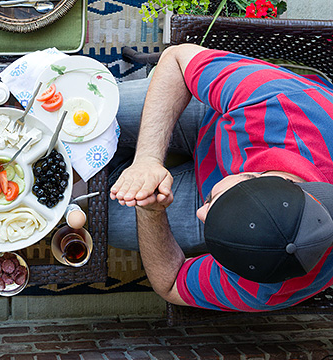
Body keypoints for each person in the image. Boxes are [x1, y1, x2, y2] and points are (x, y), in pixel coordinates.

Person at [109, 43, 333, 312]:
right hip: (215, 117)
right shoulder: (281, 103)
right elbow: (177, 59)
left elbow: (171, 284)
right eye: (215, 201)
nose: (201, 214)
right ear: (253, 174)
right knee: (89, 116)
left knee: (94, 218)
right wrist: (148, 158)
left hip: (229, 172)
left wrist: (152, 215)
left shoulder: (269, 286)